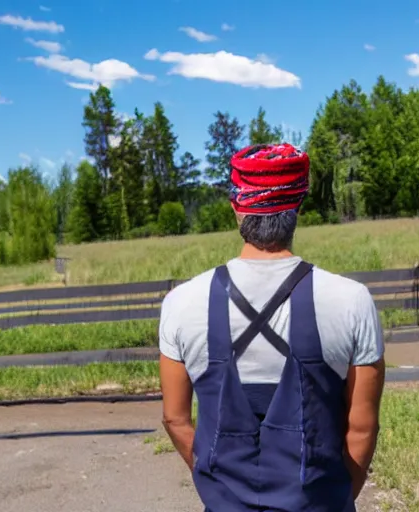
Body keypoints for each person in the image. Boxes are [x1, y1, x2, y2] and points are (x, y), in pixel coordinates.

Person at [159, 143, 385, 512]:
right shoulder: (353, 300)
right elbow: (362, 429)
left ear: (236, 207)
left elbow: (175, 418)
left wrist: (219, 489)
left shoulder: (181, 303)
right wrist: (334, 499)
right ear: (298, 207)